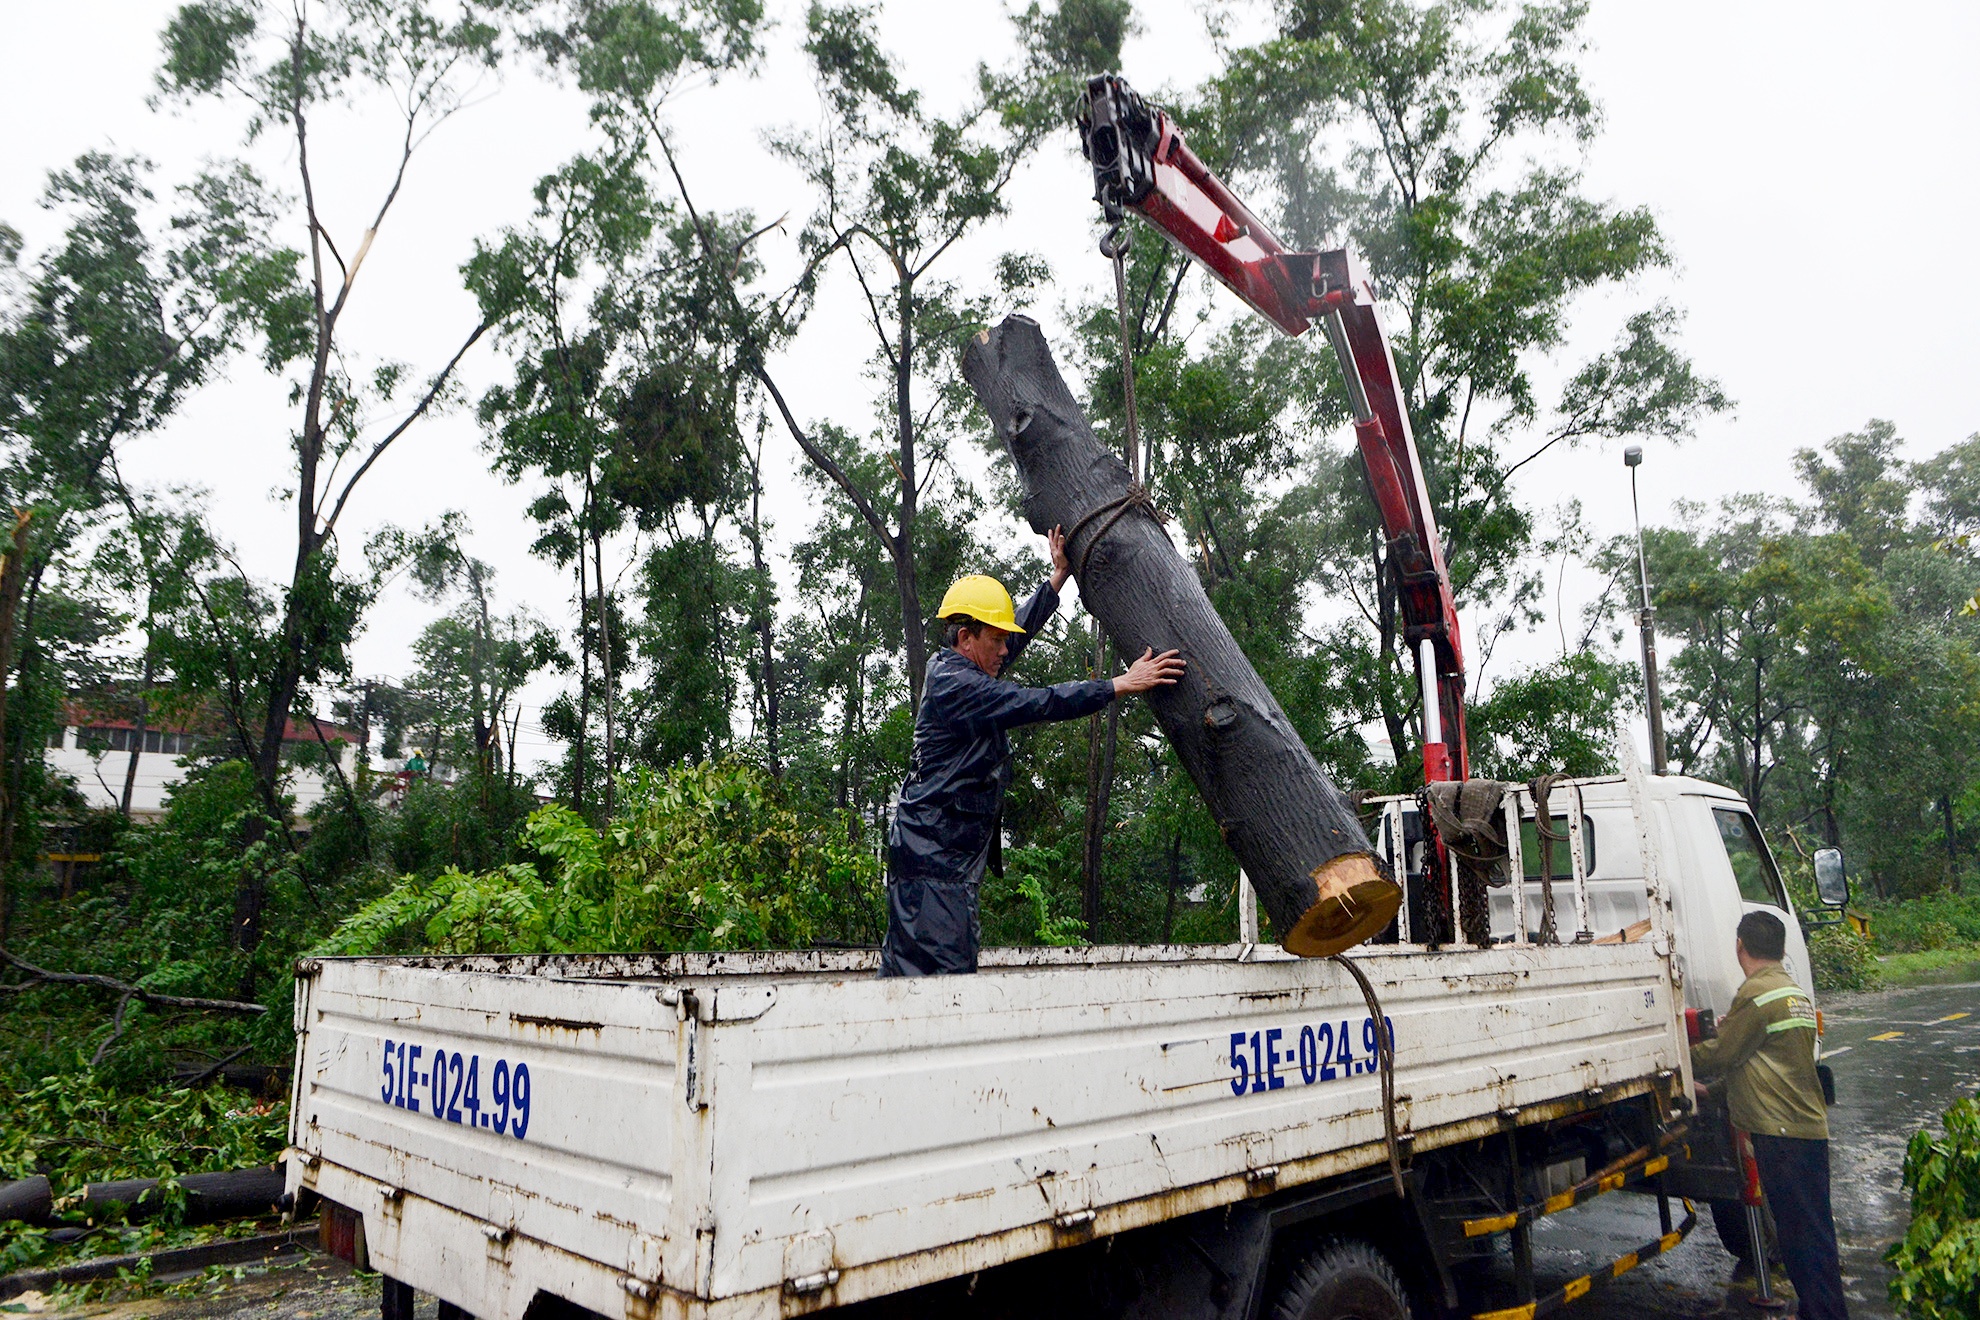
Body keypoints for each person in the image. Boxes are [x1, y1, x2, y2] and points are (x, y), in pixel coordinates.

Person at [879, 525, 1185, 978]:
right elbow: (1039, 702)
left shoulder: (964, 666)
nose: (1006, 649)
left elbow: (1014, 635)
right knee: (939, 981)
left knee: (921, 973)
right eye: (996, 639)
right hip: (933, 865)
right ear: (966, 638)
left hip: (937, 856)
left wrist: (1057, 579)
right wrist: (1119, 684)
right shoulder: (958, 687)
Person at [1690, 910, 1847, 1320]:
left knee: (1800, 1236)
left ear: (1740, 946)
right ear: (1780, 948)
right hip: (1804, 1128)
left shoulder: (1756, 995)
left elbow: (1721, 1053)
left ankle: (1823, 1315)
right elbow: (1767, 1062)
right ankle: (1821, 1310)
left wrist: (1672, 1057)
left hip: (1781, 1134)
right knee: (1814, 1231)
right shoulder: (1793, 992)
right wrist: (1713, 1092)